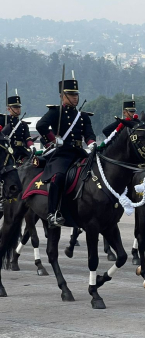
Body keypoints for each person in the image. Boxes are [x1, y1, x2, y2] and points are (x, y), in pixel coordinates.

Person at [36, 76, 96, 228]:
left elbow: (89, 133)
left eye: (76, 94)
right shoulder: (56, 112)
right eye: (71, 95)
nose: (75, 97)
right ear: (62, 96)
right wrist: (54, 139)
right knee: (59, 177)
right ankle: (52, 213)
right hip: (62, 153)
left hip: (79, 152)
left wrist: (92, 143)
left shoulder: (82, 116)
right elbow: (41, 125)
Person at [1, 91, 34, 164]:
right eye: (15, 107)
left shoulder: (23, 124)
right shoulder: (3, 120)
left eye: (19, 107)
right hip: (7, 150)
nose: (18, 109)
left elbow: (27, 137)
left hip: (21, 150)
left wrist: (31, 146)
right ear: (9, 109)